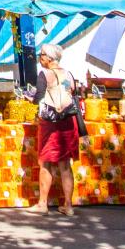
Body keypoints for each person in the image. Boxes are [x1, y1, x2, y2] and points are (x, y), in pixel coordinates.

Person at [29, 43, 81, 218]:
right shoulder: (69, 74)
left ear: (50, 58)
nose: (40, 57)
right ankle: (68, 205)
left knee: (46, 162)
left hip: (50, 123)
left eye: (42, 54)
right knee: (65, 165)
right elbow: (73, 95)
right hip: (68, 122)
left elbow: (39, 97)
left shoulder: (44, 74)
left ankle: (42, 203)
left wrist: (30, 99)